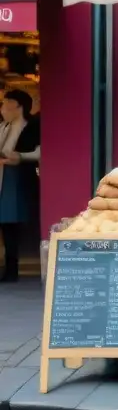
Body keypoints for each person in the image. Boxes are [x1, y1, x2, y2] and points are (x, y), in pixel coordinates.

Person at [0, 90, 40, 283]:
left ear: (19, 106)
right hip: (3, 175)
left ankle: (12, 268)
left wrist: (21, 157)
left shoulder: (32, 125)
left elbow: (40, 152)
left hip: (16, 177)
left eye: (8, 103)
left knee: (10, 223)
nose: (3, 108)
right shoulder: (4, 126)